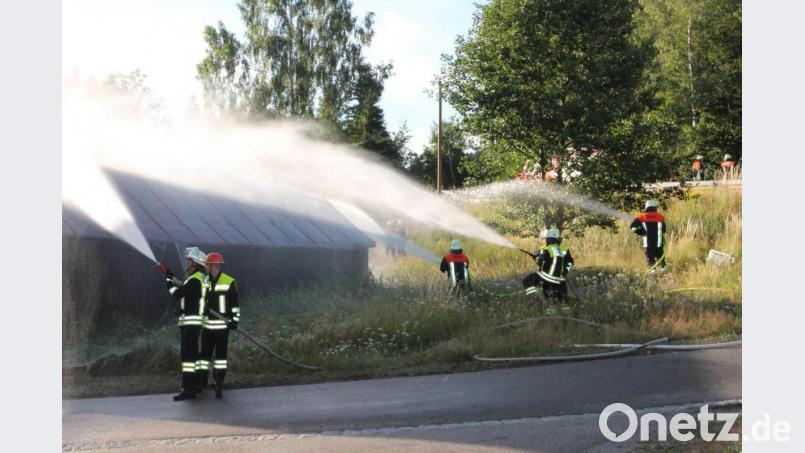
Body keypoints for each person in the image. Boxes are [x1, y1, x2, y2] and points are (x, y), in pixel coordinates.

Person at [164, 247, 209, 401]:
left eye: (188, 260)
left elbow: (177, 294)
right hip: (195, 323)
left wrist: (169, 282)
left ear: (195, 263)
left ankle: (188, 389)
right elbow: (187, 291)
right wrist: (176, 281)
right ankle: (195, 385)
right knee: (193, 355)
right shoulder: (200, 278)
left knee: (188, 357)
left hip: (190, 323)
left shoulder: (195, 280)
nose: (186, 262)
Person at [198, 252, 240, 399]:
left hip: (222, 327)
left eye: (206, 265)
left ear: (213, 266)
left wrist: (234, 320)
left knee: (220, 358)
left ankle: (219, 383)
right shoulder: (204, 280)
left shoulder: (229, 281)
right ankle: (201, 383)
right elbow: (198, 298)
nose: (205, 268)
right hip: (207, 327)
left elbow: (235, 305)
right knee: (204, 357)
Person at [522, 228, 573, 302]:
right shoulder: (548, 248)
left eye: (546, 238)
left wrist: (565, 271)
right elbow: (544, 263)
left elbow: (569, 262)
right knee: (560, 301)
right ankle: (562, 312)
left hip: (553, 278)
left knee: (528, 280)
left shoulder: (561, 248)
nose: (545, 240)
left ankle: (536, 298)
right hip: (556, 278)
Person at [630, 200, 667, 273]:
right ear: (655, 208)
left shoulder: (641, 217)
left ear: (646, 208)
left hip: (648, 243)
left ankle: (652, 271)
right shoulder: (660, 217)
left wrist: (641, 231)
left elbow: (632, 228)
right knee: (660, 257)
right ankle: (663, 269)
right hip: (659, 243)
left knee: (650, 259)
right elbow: (664, 230)